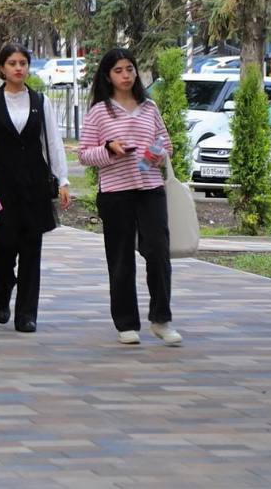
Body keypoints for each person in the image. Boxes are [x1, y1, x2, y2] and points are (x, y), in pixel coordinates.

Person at [78, 47, 180, 346]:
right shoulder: (99, 111)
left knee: (158, 253)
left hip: (150, 189)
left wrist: (152, 155)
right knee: (121, 259)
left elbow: (166, 144)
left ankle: (161, 319)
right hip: (115, 193)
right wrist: (109, 149)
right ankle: (125, 323)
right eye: (118, 71)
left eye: (130, 69)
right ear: (108, 76)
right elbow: (85, 155)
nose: (125, 75)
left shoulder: (150, 107)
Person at [0, 44, 70, 334]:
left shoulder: (41, 102)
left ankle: (27, 313)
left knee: (32, 250)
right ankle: (3, 292)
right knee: (4, 249)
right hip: (2, 186)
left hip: (35, 186)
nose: (18, 68)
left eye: (23, 63)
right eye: (12, 63)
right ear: (2, 68)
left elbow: (52, 143)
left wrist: (62, 180)